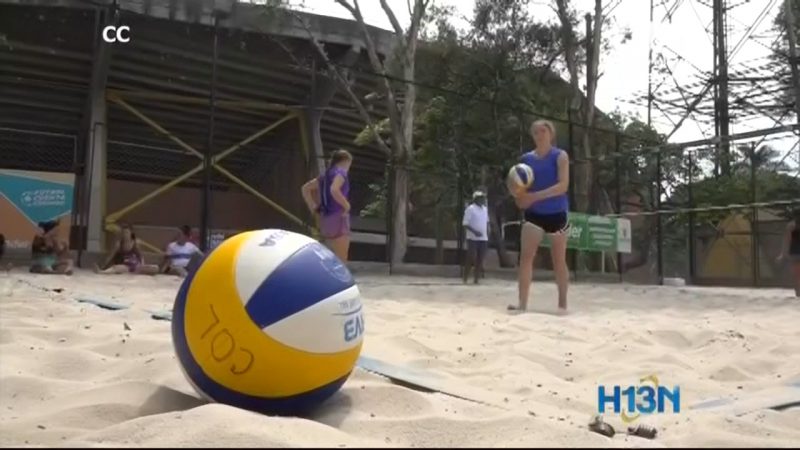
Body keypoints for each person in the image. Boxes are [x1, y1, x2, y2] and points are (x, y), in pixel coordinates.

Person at [507, 119, 570, 314]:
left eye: (543, 131)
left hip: (557, 213)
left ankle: (562, 305)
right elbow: (519, 188)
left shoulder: (560, 156)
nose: (540, 135)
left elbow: (563, 186)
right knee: (526, 258)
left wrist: (534, 197)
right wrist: (519, 198)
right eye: (536, 132)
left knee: (558, 260)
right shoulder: (526, 160)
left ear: (551, 134)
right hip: (534, 214)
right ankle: (522, 304)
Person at [301, 149, 353, 263]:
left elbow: (305, 188)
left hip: (325, 220)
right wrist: (346, 205)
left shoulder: (324, 176)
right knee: (341, 260)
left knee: (327, 258)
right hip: (339, 217)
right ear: (346, 161)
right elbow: (334, 189)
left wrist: (313, 206)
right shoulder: (341, 172)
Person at [94, 224, 160, 275]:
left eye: (127, 232)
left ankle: (138, 271)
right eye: (123, 233)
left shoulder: (135, 242)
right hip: (125, 265)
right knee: (115, 268)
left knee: (156, 268)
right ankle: (101, 272)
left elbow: (140, 256)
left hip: (136, 265)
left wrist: (142, 265)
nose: (125, 234)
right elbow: (110, 256)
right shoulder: (119, 244)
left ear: (131, 233)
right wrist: (103, 266)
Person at [462, 190, 490, 284]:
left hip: (483, 238)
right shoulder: (470, 209)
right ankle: (465, 277)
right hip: (472, 238)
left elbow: (487, 222)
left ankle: (476, 278)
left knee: (480, 258)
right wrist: (475, 232)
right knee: (471, 257)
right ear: (476, 199)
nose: (483, 200)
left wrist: (488, 231)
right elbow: (465, 224)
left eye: (483, 198)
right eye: (481, 198)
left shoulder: (485, 209)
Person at [777, 209, 800, 297]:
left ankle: (798, 291)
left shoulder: (791, 226)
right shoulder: (791, 226)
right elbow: (787, 240)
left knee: (796, 274)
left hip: (794, 253)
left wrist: (783, 253)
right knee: (796, 274)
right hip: (795, 253)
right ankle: (798, 291)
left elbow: (787, 240)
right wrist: (783, 253)